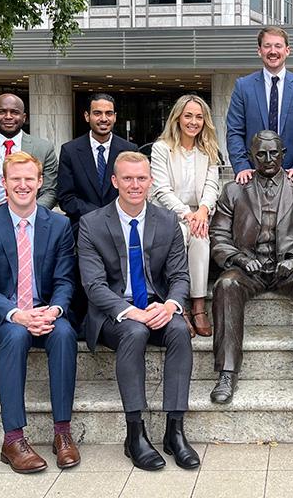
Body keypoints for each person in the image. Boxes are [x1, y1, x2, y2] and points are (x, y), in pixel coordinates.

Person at [78, 151, 201, 471]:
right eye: (128, 178)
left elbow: (179, 276)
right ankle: (135, 433)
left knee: (177, 330)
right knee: (135, 330)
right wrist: (130, 312)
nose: (135, 185)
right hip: (113, 314)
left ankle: (175, 431)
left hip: (156, 305)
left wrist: (172, 305)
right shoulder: (92, 224)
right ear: (115, 181)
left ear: (150, 181)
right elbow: (94, 286)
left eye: (142, 178)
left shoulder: (167, 221)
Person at [0, 151, 79, 473]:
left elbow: (64, 279)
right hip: (0, 318)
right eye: (16, 179)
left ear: (40, 182)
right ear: (4, 183)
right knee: (16, 335)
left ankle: (63, 433)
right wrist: (18, 314)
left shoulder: (58, 224)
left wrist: (54, 310)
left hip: (45, 312)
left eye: (30, 178)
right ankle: (13, 438)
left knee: (65, 333)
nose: (23, 185)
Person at [208, 130, 293, 404]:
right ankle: (227, 372)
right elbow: (219, 236)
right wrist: (239, 258)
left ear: (284, 154)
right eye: (261, 153)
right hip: (248, 266)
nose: (268, 158)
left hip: (288, 267)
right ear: (251, 156)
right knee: (226, 284)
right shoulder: (234, 190)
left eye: (274, 152)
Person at [150, 94, 221, 337]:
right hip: (168, 215)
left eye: (199, 117)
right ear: (177, 118)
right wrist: (187, 215)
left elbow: (212, 186)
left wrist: (202, 211)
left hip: (198, 215)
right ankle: (179, 307)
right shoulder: (162, 149)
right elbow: (161, 190)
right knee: (180, 233)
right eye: (188, 115)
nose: (193, 121)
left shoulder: (208, 149)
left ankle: (199, 306)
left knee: (201, 238)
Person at [226, 26, 293, 185]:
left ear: (287, 50)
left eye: (278, 46)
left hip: (291, 176)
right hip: (251, 177)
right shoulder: (243, 87)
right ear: (259, 51)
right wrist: (241, 166)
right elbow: (234, 131)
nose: (273, 51)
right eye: (267, 46)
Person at [57, 93, 139, 231]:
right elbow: (66, 197)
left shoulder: (129, 150)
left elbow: (134, 190)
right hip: (83, 225)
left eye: (109, 113)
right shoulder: (70, 151)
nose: (104, 119)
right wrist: (98, 216)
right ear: (87, 116)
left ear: (115, 117)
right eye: (97, 113)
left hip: (122, 225)